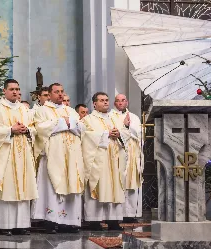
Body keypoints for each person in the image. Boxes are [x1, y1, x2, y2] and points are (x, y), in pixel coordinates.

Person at [0, 79, 38, 235]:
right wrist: (10, 129)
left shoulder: (24, 109)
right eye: (12, 89)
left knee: (23, 187)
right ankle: (4, 225)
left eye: (17, 89)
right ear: (4, 91)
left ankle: (21, 224)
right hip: (6, 153)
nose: (15, 92)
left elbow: (34, 127)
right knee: (6, 187)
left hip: (23, 153)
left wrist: (27, 130)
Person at [33, 83, 84, 233]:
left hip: (71, 155)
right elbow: (40, 129)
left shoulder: (70, 111)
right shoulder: (42, 111)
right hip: (52, 156)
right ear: (49, 94)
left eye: (62, 91)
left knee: (71, 183)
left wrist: (72, 123)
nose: (60, 94)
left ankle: (69, 222)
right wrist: (63, 122)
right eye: (57, 92)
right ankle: (51, 221)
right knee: (51, 187)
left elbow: (82, 128)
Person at [81, 92, 127, 231]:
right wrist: (106, 134)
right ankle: (94, 221)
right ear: (94, 103)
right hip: (98, 160)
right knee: (97, 187)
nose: (105, 102)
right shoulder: (88, 119)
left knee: (115, 188)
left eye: (107, 100)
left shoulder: (116, 118)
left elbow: (126, 132)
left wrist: (120, 134)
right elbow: (86, 136)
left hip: (115, 159)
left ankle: (113, 220)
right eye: (102, 100)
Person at [110, 94, 143, 223]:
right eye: (117, 101)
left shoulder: (134, 117)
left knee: (131, 182)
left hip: (132, 153)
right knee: (119, 181)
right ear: (114, 103)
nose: (120, 103)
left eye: (123, 100)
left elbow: (139, 133)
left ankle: (131, 213)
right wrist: (123, 129)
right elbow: (113, 131)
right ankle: (119, 213)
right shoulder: (111, 116)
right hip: (118, 152)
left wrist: (128, 127)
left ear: (127, 102)